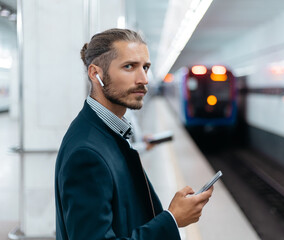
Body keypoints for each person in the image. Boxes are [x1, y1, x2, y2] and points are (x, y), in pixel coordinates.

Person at [54, 28, 213, 240]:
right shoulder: (87, 153)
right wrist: (172, 220)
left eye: (145, 67)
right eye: (129, 67)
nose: (143, 79)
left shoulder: (109, 131)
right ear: (95, 73)